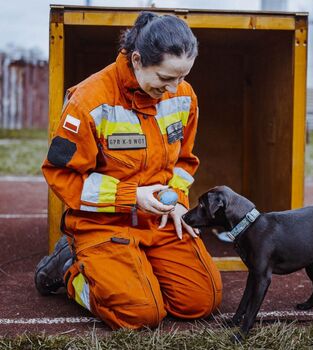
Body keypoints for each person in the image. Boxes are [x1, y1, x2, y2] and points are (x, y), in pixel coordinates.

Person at [35, 11, 222, 330]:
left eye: (182, 76)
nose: (174, 87)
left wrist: (176, 200)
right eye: (165, 78)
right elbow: (61, 175)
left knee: (202, 301)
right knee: (140, 314)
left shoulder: (184, 96)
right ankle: (72, 270)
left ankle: (135, 274)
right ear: (137, 59)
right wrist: (130, 196)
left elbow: (184, 161)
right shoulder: (89, 101)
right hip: (103, 223)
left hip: (158, 219)